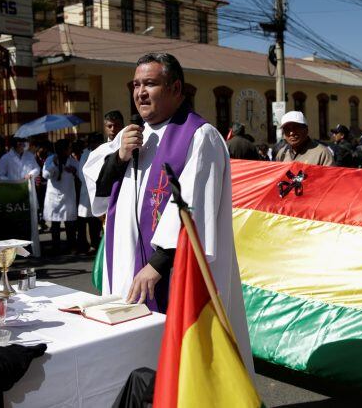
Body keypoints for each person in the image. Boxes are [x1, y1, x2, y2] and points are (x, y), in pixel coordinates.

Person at [83, 52, 253, 373]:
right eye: (136, 85)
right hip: (125, 269)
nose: (140, 92)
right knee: (131, 364)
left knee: (175, 365)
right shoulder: (129, 135)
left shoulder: (199, 136)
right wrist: (119, 157)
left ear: (176, 88)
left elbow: (192, 207)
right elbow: (100, 192)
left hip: (167, 273)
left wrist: (156, 265)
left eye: (150, 83)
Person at [42, 139, 79, 253]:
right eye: (68, 148)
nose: (70, 150)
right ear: (63, 149)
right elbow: (45, 175)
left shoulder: (71, 160)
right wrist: (54, 164)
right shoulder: (50, 159)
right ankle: (56, 247)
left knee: (69, 222)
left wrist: (74, 170)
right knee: (55, 223)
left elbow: (80, 172)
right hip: (54, 197)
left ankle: (71, 246)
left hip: (68, 195)